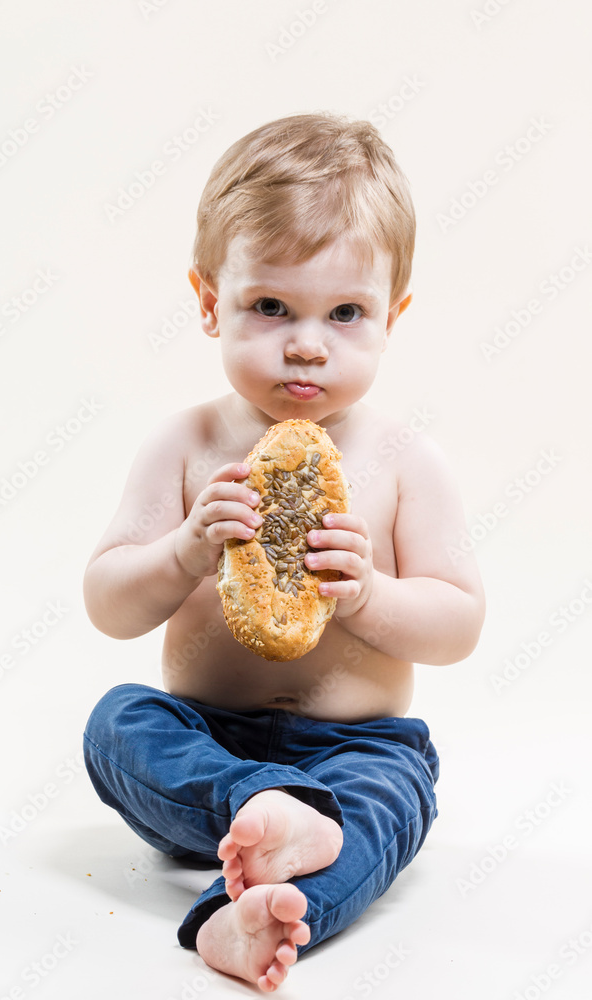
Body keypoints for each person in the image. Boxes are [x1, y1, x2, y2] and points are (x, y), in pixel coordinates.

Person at [82, 111, 485, 992]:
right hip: (207, 742)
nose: (307, 342)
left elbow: (457, 623)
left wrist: (368, 595)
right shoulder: (185, 444)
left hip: (360, 745)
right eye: (270, 306)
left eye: (346, 313)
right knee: (118, 722)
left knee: (388, 802)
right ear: (206, 302)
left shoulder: (407, 461)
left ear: (393, 317)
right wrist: (186, 552)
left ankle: (243, 915)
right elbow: (108, 603)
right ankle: (260, 807)